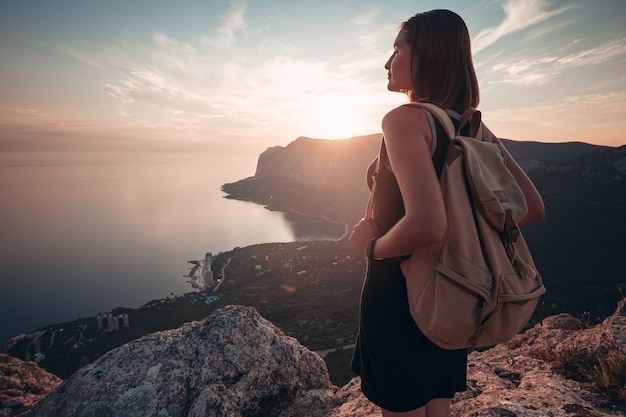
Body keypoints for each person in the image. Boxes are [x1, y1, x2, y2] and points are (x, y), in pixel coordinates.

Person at [348, 9, 545, 417]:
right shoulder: (470, 127)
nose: (387, 62)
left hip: (400, 294)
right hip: (456, 290)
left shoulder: (404, 120)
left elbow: (428, 224)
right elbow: (531, 208)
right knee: (437, 405)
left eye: (397, 49)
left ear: (426, 56)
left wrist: (372, 247)